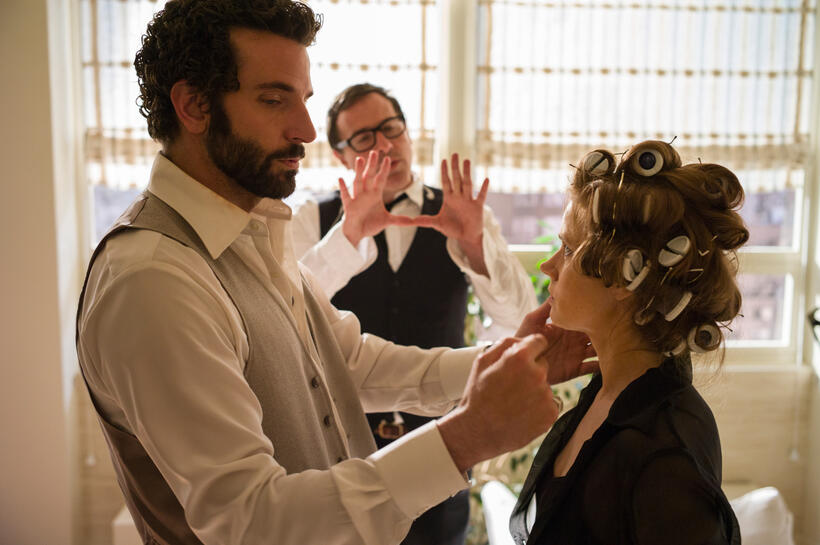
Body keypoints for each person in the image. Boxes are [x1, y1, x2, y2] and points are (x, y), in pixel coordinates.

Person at [75, 2, 594, 544]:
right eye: (274, 99)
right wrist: (464, 439)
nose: (302, 129)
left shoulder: (256, 234)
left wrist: (514, 360)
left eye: (302, 101)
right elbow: (252, 523)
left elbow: (349, 363)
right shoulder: (153, 280)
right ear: (193, 106)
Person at [291, 83, 537, 545]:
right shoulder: (310, 218)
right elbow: (283, 316)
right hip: (339, 450)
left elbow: (518, 318)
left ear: (407, 132)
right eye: (364, 138)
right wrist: (345, 238)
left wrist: (475, 247)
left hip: (446, 445)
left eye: (390, 128)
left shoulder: (464, 213)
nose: (384, 144)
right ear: (342, 156)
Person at [508, 140, 745, 544]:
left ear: (623, 278)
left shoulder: (665, 455)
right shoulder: (606, 393)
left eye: (567, 249)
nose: (548, 266)